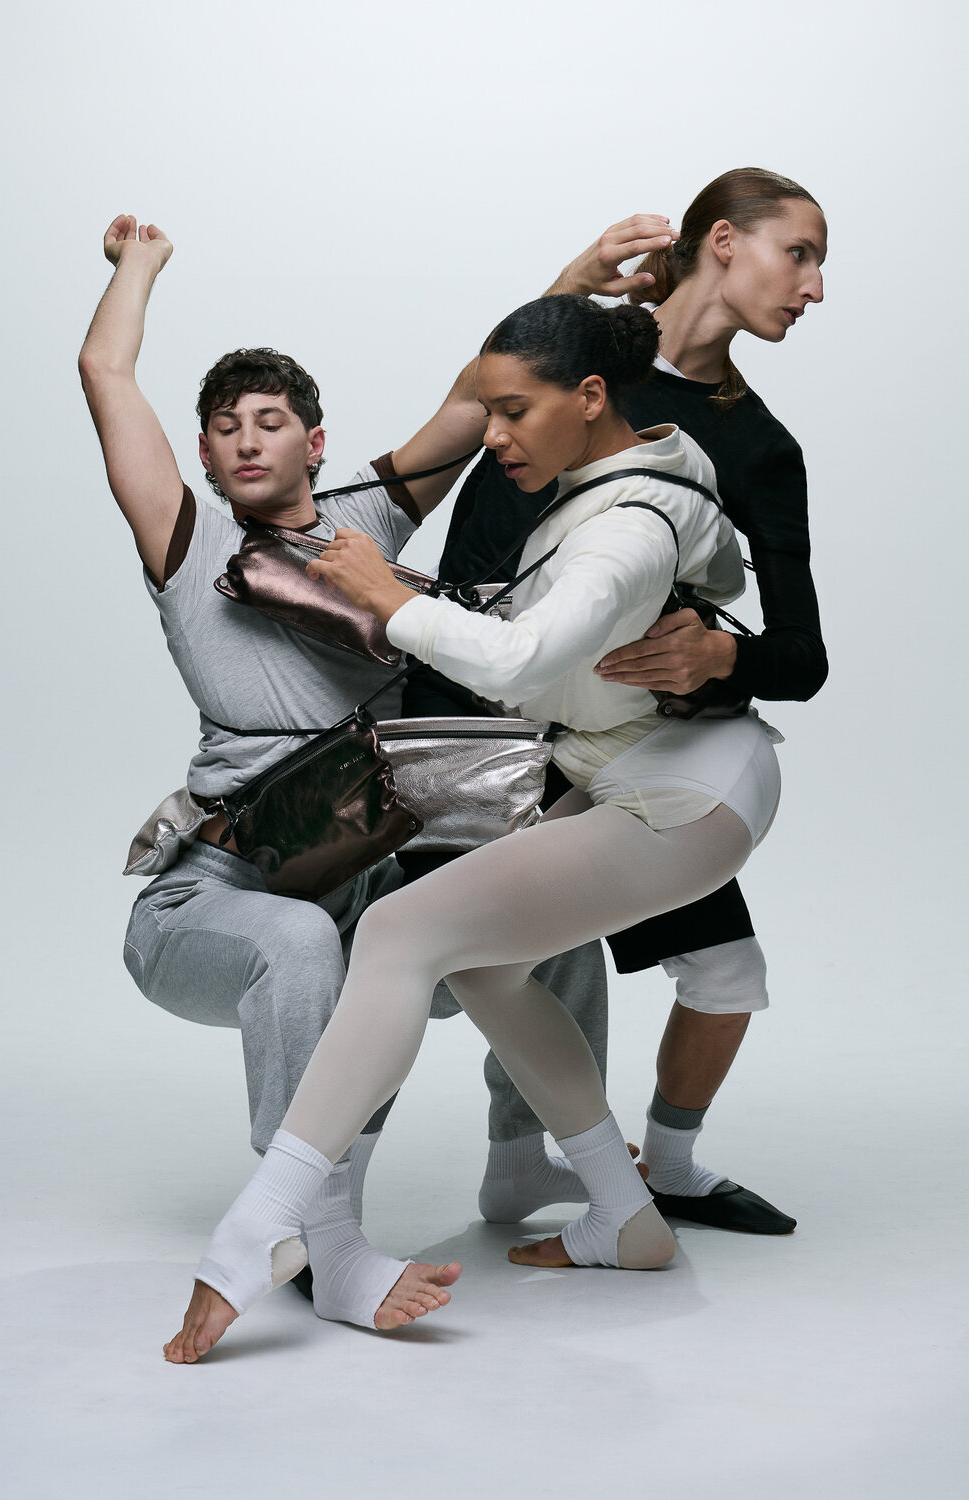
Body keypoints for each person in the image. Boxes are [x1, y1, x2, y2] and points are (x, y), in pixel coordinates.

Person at [163, 292, 783, 1363]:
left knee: (402, 933)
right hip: (655, 769)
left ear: (589, 400)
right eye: (486, 411)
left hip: (682, 794)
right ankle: (623, 1219)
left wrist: (380, 592)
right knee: (495, 967)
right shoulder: (604, 480)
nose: (489, 435)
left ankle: (256, 1227)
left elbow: (515, 662)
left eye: (511, 412)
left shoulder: (626, 528)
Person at [80, 214, 644, 1333]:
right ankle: (317, 1232)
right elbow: (105, 371)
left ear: (314, 441)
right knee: (299, 948)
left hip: (370, 883)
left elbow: (487, 402)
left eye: (271, 423)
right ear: (203, 454)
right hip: (219, 898)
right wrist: (137, 263)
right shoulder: (188, 543)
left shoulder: (369, 520)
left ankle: (519, 1159)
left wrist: (566, 287)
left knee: (553, 915)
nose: (248, 442)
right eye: (226, 429)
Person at [422, 168, 827, 1234]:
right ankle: (326, 1195)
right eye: (803, 253)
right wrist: (563, 286)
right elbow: (477, 412)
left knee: (721, 971)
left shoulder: (757, 449)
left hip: (605, 738)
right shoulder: (587, 355)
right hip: (456, 690)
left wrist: (717, 658)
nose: (816, 287)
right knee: (407, 942)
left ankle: (663, 1171)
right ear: (725, 242)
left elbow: (801, 655)